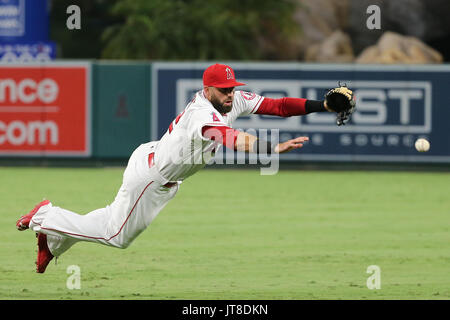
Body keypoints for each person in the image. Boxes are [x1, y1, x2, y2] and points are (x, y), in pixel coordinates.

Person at [16, 63, 355, 273]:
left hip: (156, 162)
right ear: (206, 89)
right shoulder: (201, 115)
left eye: (231, 88)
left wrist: (322, 105)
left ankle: (51, 242)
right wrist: (272, 148)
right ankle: (45, 217)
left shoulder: (232, 99)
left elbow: (278, 105)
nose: (229, 94)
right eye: (223, 90)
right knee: (116, 236)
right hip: (151, 178)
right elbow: (231, 138)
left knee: (108, 221)